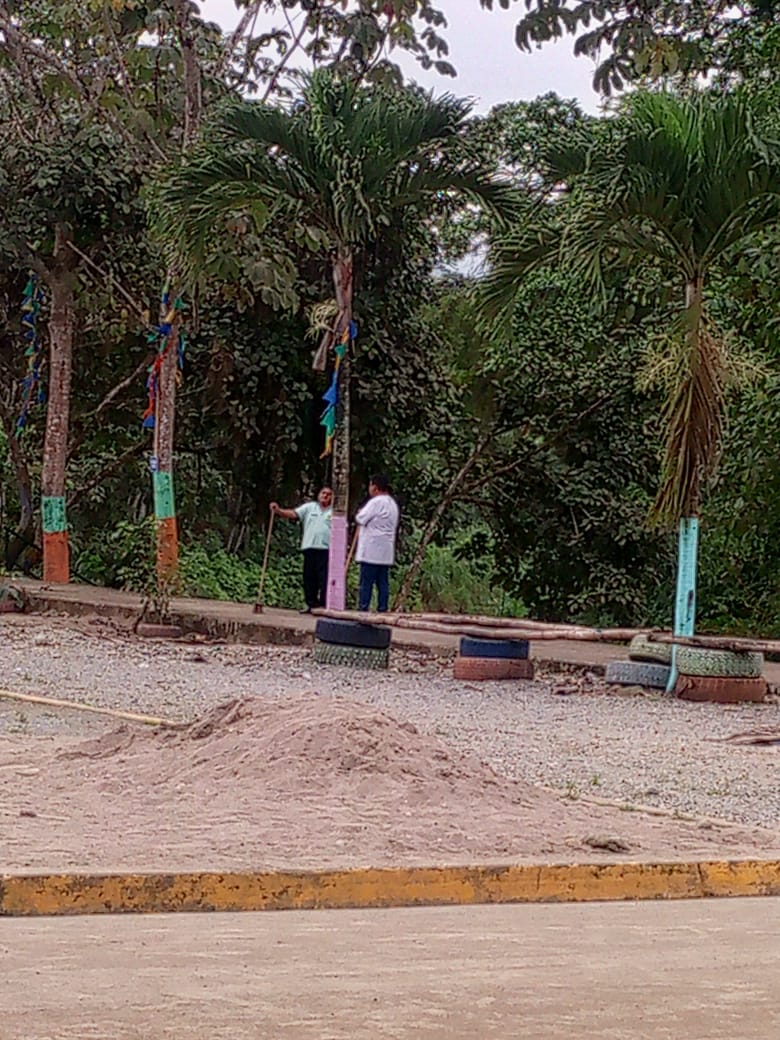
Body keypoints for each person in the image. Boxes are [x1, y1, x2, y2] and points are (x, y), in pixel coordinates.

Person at [270, 487, 333, 613]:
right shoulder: (310, 507)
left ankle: (323, 605)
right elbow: (294, 514)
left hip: (326, 549)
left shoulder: (334, 512)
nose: (325, 496)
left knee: (324, 579)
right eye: (323, 493)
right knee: (309, 577)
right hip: (310, 547)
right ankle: (311, 604)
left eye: (329, 494)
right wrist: (278, 510)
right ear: (319, 495)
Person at [355, 474, 400, 613]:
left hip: (371, 549)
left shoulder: (376, 502)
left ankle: (363, 608)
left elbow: (360, 518)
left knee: (366, 582)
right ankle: (382, 608)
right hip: (386, 550)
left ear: (375, 487)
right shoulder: (393, 504)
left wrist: (360, 512)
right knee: (383, 583)